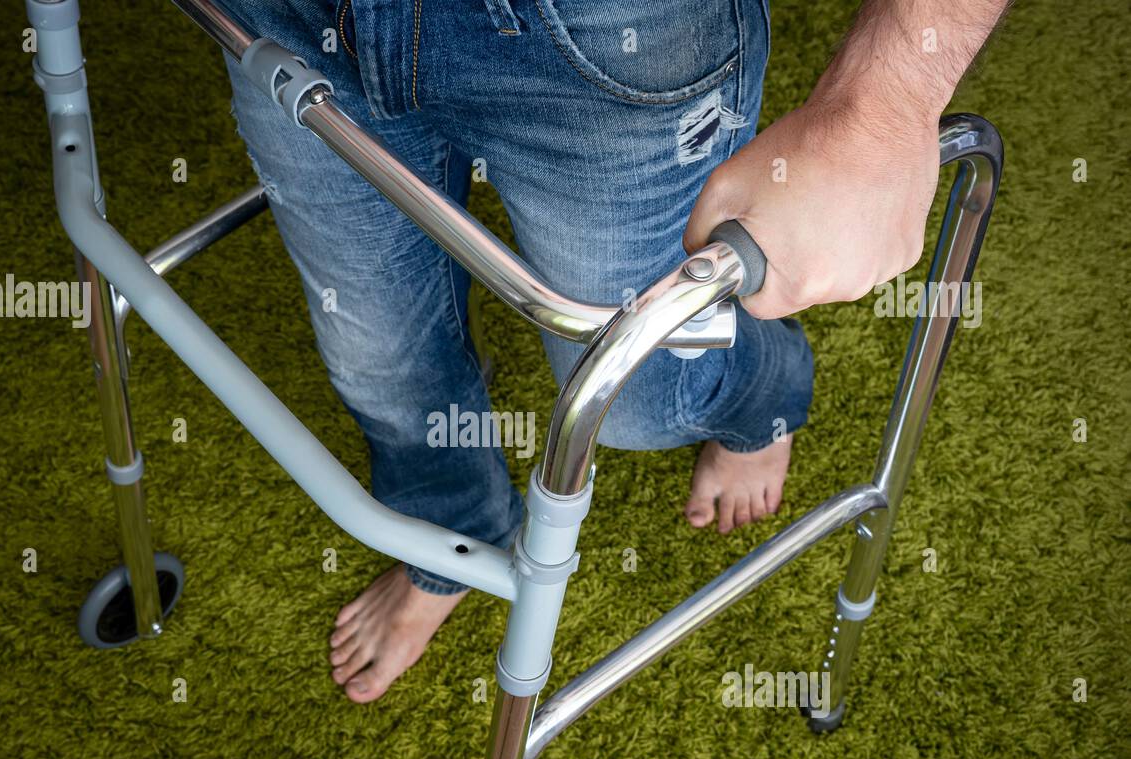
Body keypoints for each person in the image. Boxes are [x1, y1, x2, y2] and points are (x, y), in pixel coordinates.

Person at [220, 0, 1010, 701]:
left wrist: (881, 104)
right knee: (374, 350)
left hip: (602, 36)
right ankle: (451, 522)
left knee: (641, 397)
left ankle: (754, 399)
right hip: (289, 15)